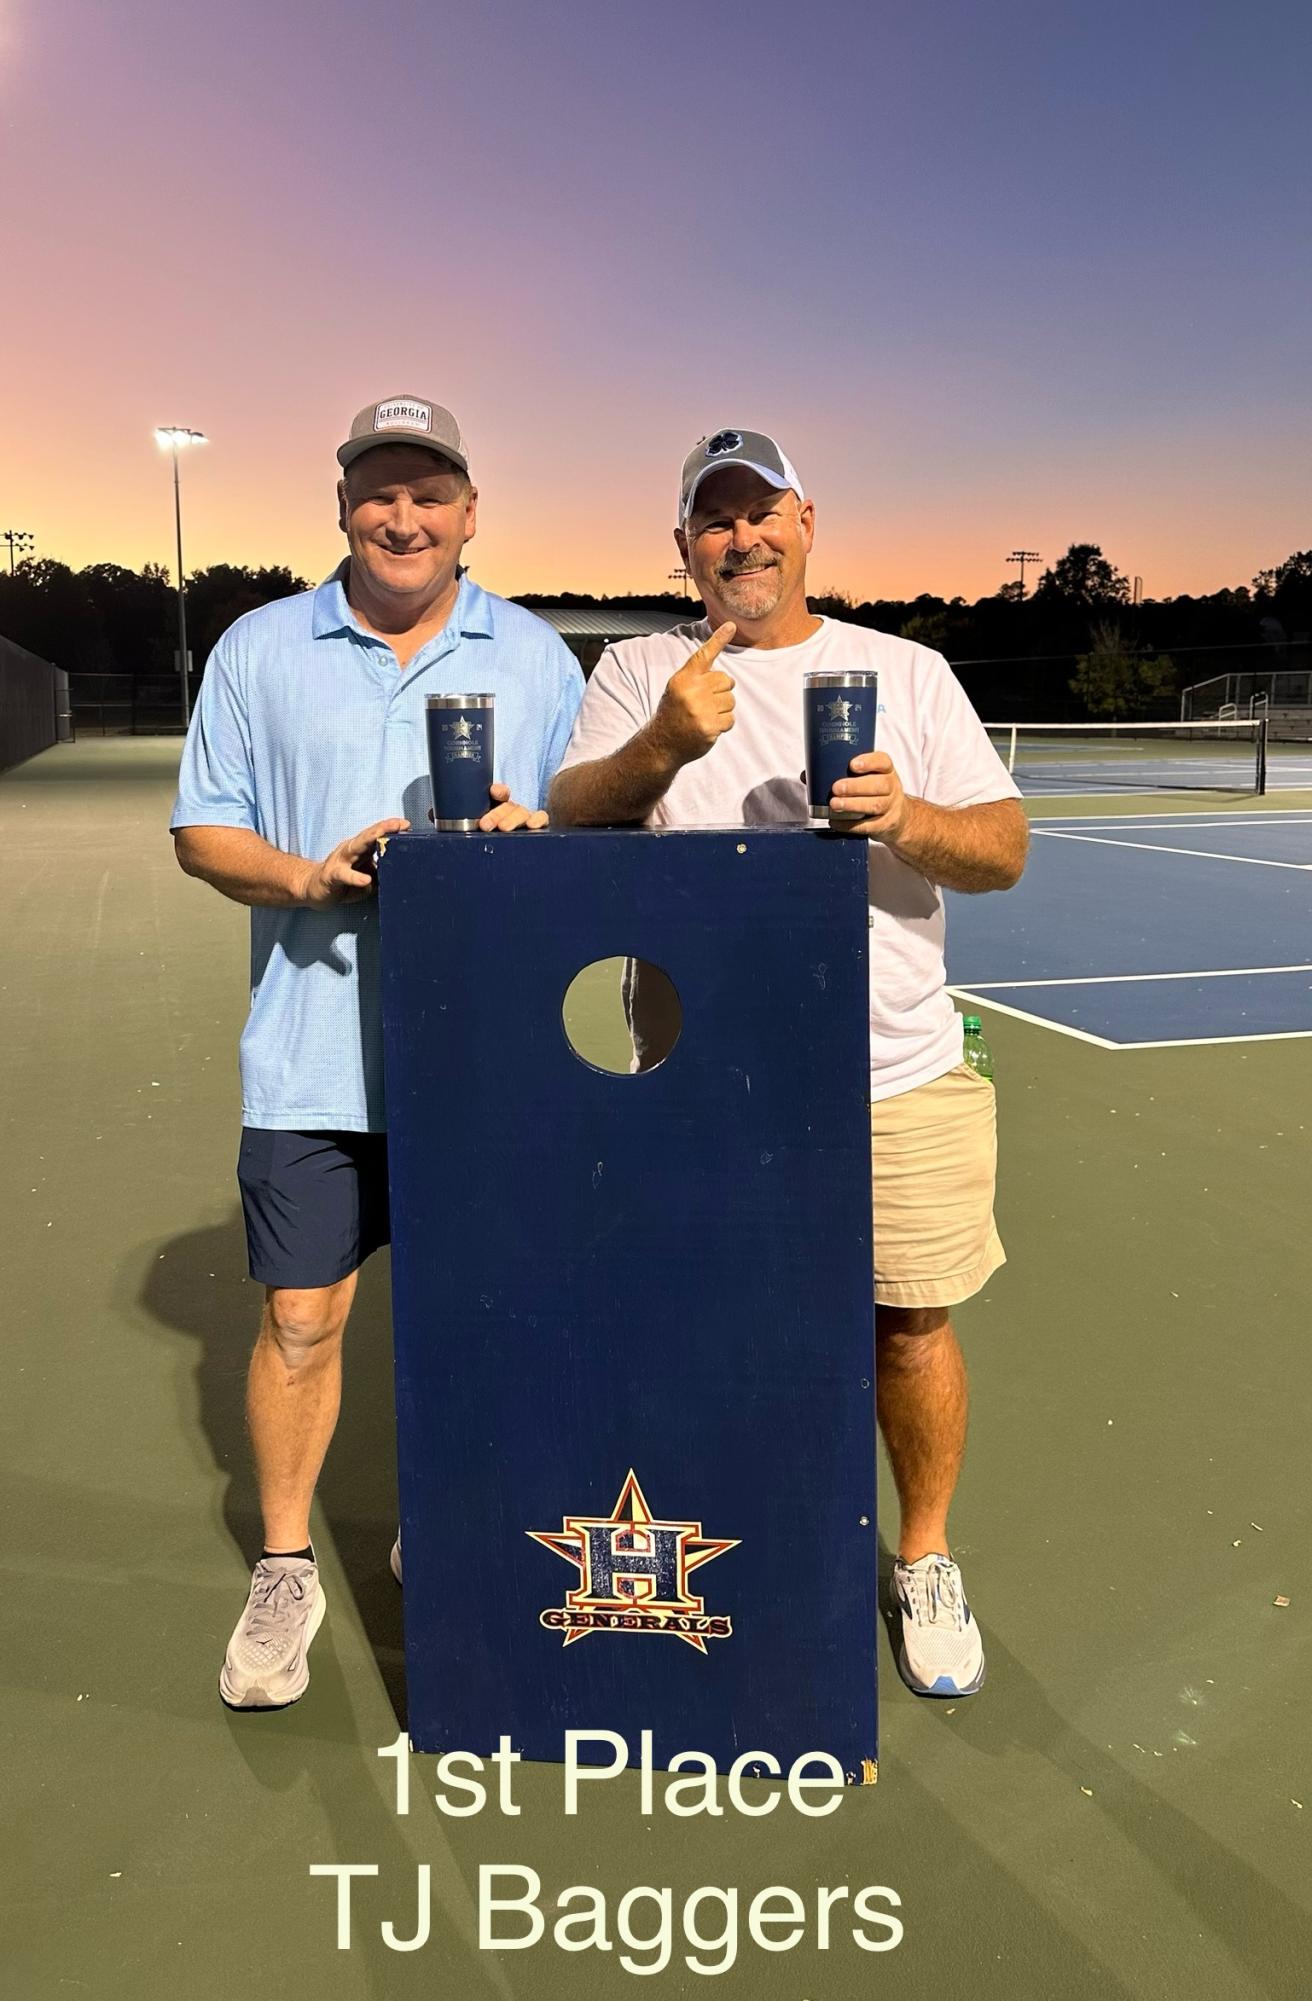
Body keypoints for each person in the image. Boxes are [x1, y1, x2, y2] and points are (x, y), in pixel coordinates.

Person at [549, 427, 1028, 1698]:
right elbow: (568, 818)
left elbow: (1004, 846)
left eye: (761, 513)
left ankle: (921, 1557)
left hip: (897, 1077)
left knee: (911, 1333)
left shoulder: (904, 671)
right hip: (701, 1095)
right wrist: (662, 745)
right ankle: (745, 1549)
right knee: (707, 1331)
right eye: (715, 521)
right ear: (684, 549)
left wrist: (905, 819)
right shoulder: (640, 670)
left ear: (807, 521)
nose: (741, 538)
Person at [171, 395, 583, 1709]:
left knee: (480, 1321)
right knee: (302, 1317)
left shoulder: (532, 655)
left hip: (488, 1065)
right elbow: (203, 829)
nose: (402, 517)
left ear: (471, 513)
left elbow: (595, 831)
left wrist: (540, 845)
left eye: (429, 493)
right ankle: (285, 1568)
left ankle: (449, 1525)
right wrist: (306, 877)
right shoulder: (256, 647)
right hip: (310, 1054)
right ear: (342, 504)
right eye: (379, 491)